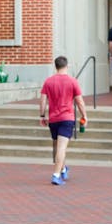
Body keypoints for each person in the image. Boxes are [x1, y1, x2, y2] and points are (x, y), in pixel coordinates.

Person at [39, 56, 87, 186]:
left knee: (57, 146)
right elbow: (79, 101)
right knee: (61, 147)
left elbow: (43, 100)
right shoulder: (72, 81)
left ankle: (63, 168)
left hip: (53, 119)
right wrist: (85, 115)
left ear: (55, 66)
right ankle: (56, 175)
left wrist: (42, 115)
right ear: (67, 66)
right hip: (66, 118)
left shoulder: (48, 81)